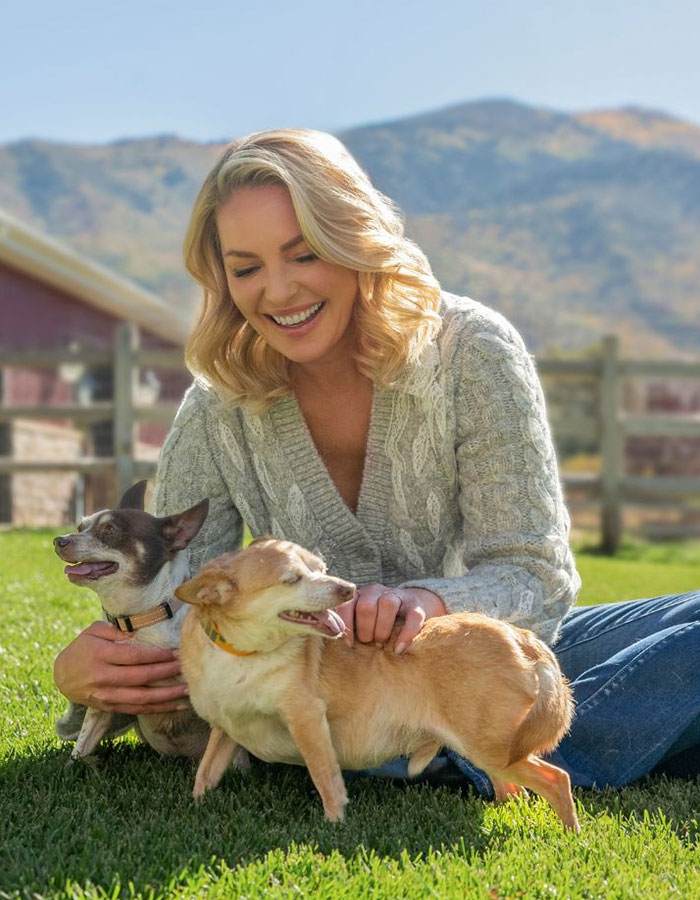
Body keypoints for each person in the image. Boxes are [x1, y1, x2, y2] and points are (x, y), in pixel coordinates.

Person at [54, 128, 700, 792]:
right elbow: (183, 603)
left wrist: (428, 600)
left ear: (354, 240)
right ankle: (454, 746)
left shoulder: (473, 352)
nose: (278, 291)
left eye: (304, 253)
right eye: (246, 269)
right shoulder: (218, 404)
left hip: (468, 655)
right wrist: (80, 678)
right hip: (319, 680)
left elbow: (533, 573)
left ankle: (453, 740)